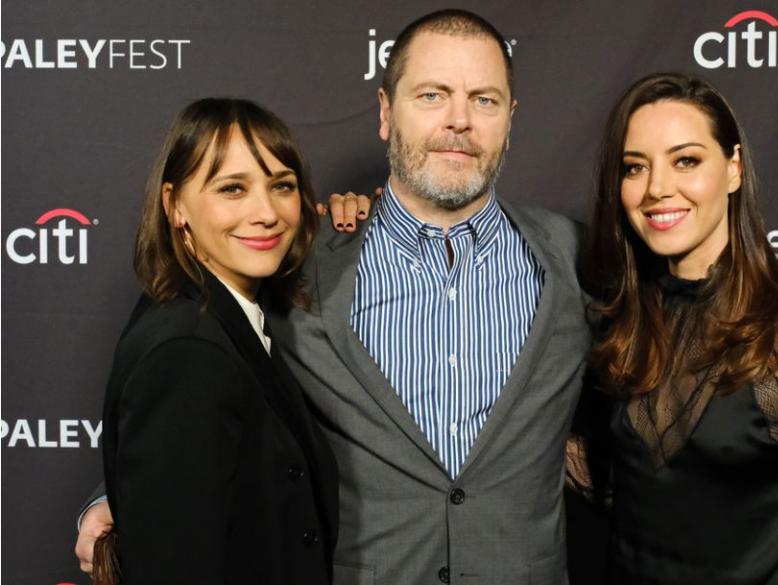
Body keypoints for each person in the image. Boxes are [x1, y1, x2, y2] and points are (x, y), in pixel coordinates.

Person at [78, 10, 592, 585]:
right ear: (384, 111)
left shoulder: (572, 256)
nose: (459, 121)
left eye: (485, 100)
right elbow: (199, 389)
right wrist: (111, 498)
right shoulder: (294, 262)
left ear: (510, 119)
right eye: (432, 95)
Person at [567, 72, 778, 584]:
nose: (657, 189)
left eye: (685, 160)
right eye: (634, 168)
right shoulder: (615, 326)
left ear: (733, 168)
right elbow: (609, 482)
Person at [93, 98, 338, 584]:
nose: (266, 212)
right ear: (175, 205)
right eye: (233, 189)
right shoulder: (188, 353)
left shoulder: (225, 317)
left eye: (282, 186)